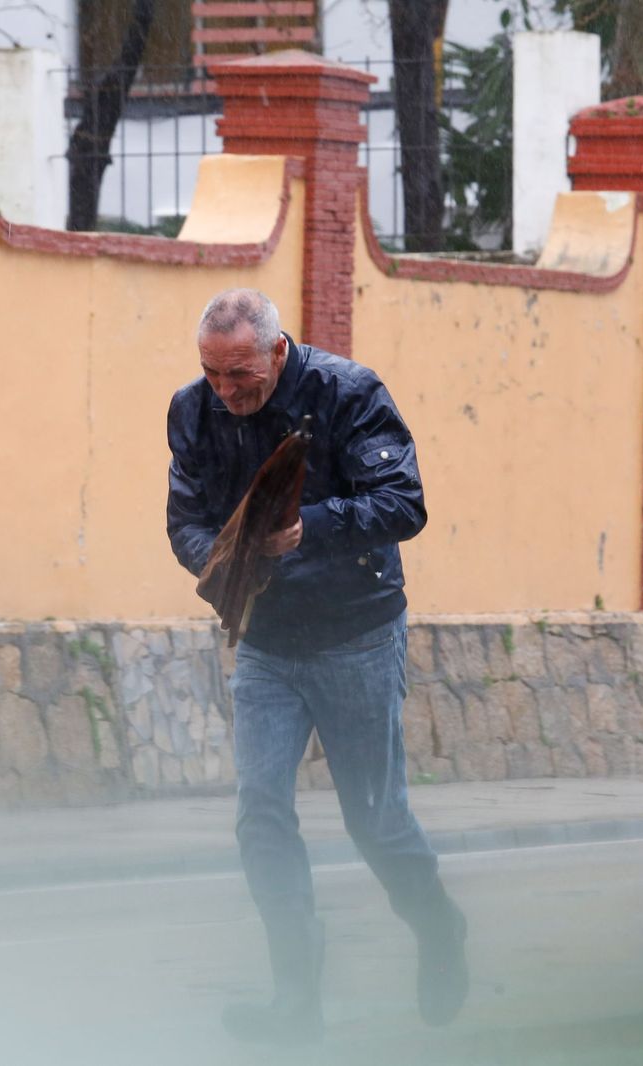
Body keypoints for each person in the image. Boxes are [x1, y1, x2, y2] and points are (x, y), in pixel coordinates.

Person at [166, 288, 468, 1045]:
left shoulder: (349, 393)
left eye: (240, 376)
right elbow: (186, 519)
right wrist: (222, 561)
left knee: (376, 821)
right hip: (266, 642)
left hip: (354, 635)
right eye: (212, 374)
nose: (226, 393)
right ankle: (295, 993)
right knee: (260, 815)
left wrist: (311, 530)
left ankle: (438, 930)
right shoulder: (191, 410)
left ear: (276, 351)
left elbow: (404, 503)